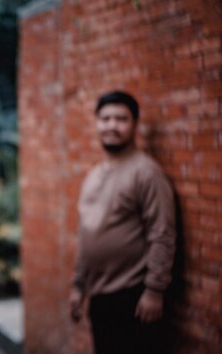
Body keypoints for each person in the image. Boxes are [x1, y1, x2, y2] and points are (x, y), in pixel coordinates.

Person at [69, 91, 176, 354]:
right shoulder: (93, 175)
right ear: (96, 123)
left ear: (135, 125)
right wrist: (78, 287)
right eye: (105, 119)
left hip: (134, 297)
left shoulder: (146, 172)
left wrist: (154, 290)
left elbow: (162, 233)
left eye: (121, 119)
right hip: (100, 297)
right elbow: (87, 235)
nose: (112, 126)